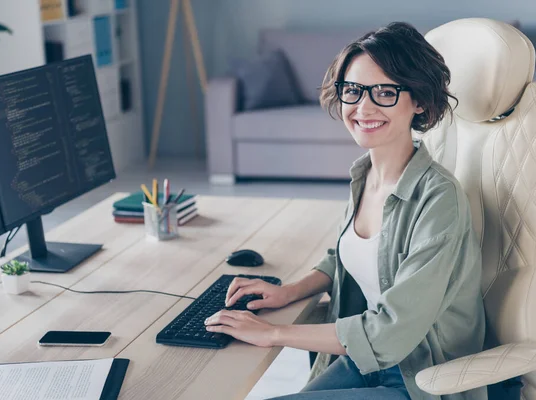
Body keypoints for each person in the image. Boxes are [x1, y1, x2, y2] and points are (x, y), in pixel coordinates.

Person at [204, 22, 486, 400]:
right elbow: (342, 257)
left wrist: (272, 333)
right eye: (352, 91)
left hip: (422, 378)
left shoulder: (439, 199)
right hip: (366, 362)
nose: (363, 107)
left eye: (385, 92)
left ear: (418, 101)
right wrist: (287, 292)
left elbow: (390, 330)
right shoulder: (364, 173)